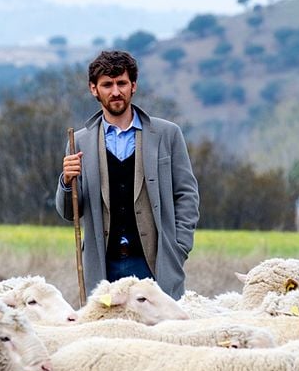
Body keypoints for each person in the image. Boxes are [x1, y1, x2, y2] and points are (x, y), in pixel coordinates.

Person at [56, 50, 199, 300]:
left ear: (133, 86)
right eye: (107, 85)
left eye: (121, 83)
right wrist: (66, 182)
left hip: (155, 265)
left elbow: (187, 194)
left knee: (161, 336)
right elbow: (70, 213)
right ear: (93, 89)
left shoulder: (167, 134)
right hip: (103, 267)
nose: (115, 91)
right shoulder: (78, 141)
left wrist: (178, 248)